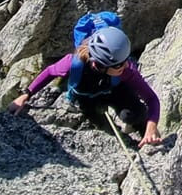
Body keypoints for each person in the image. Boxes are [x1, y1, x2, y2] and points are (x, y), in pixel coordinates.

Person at [10, 21, 163, 147]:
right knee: (107, 131)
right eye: (118, 65)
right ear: (100, 64)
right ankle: (126, 142)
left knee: (135, 114)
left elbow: (152, 99)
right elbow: (50, 72)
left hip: (116, 90)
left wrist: (151, 126)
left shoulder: (125, 70)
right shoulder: (73, 63)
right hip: (87, 98)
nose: (124, 66)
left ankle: (144, 133)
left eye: (125, 60)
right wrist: (26, 95)